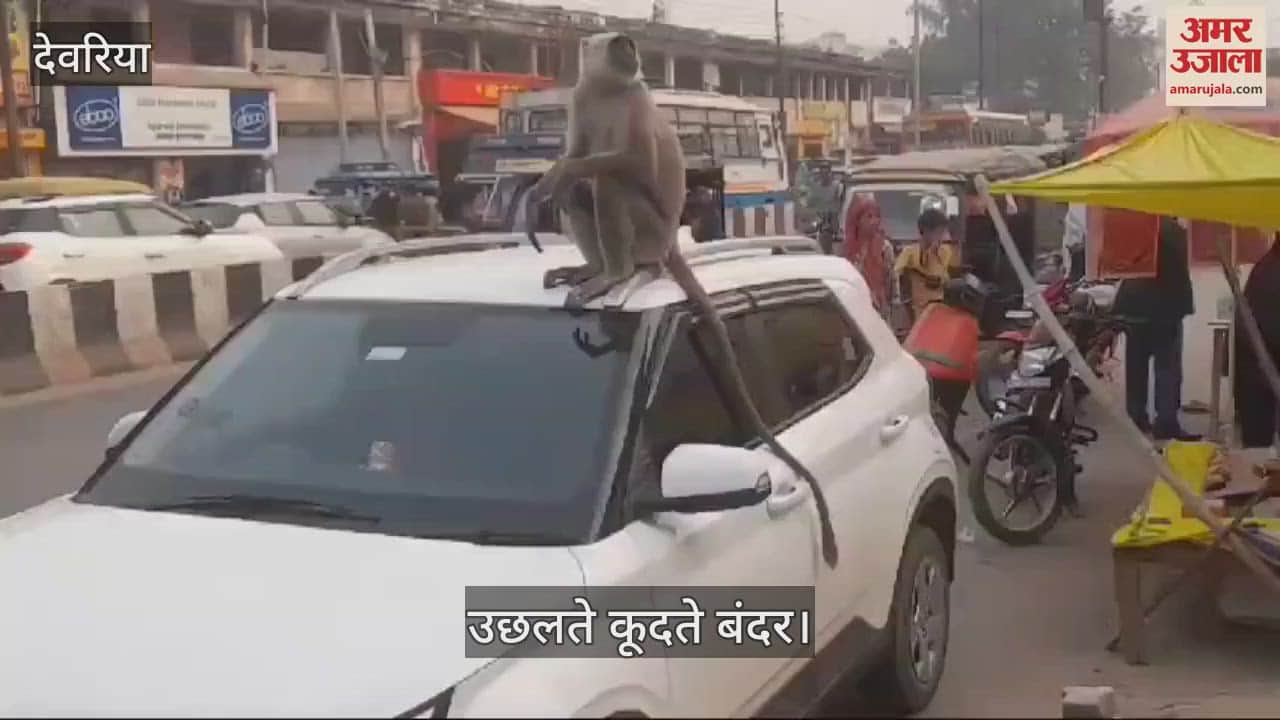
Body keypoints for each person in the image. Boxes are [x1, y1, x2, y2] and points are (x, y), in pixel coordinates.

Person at [1113, 217, 1198, 441]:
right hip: (1165, 310)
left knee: (1136, 365)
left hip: (1135, 305)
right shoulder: (1175, 232)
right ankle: (1166, 421)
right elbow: (1179, 270)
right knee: (1167, 367)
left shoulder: (1131, 228)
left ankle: (1136, 416)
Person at [1234, 235, 1280, 449]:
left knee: (1257, 446)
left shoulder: (1266, 267)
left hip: (1256, 372)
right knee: (1258, 449)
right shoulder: (1270, 272)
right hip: (1260, 372)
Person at [895, 208, 960, 322]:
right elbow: (897, 274)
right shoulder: (910, 252)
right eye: (937, 232)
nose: (940, 236)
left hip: (941, 307)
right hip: (920, 309)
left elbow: (946, 276)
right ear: (925, 231)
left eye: (942, 232)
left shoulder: (945, 251)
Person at [843, 195, 893, 318]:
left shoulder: (885, 247)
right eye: (869, 216)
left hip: (879, 307)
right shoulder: (848, 249)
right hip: (855, 307)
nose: (874, 221)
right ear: (857, 221)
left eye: (877, 217)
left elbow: (890, 280)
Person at [805, 166, 841, 254]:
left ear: (830, 174)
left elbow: (839, 202)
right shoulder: (817, 188)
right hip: (821, 221)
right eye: (823, 174)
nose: (825, 176)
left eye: (827, 173)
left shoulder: (836, 186)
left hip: (831, 220)